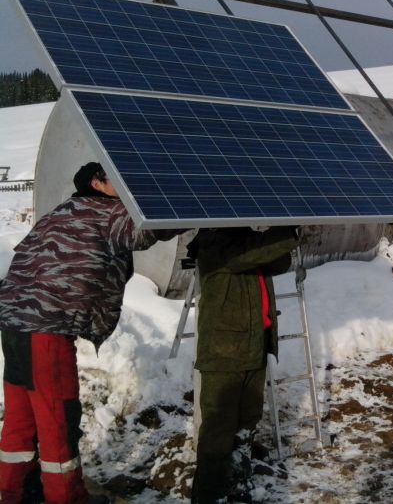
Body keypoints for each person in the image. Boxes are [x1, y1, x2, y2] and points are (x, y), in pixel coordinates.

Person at [0, 162, 180, 504]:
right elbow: (143, 231)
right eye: (115, 178)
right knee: (58, 418)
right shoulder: (108, 211)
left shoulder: (63, 211)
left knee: (21, 417)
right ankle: (65, 497)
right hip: (47, 329)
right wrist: (179, 206)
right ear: (97, 184)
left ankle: (11, 491)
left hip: (13, 322)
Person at [187, 225, 299, 504]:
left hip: (253, 345)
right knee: (218, 429)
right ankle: (210, 495)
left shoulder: (249, 242)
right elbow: (245, 257)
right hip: (224, 352)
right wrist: (287, 231)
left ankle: (237, 479)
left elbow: (278, 260)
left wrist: (284, 236)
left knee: (247, 419)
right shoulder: (213, 240)